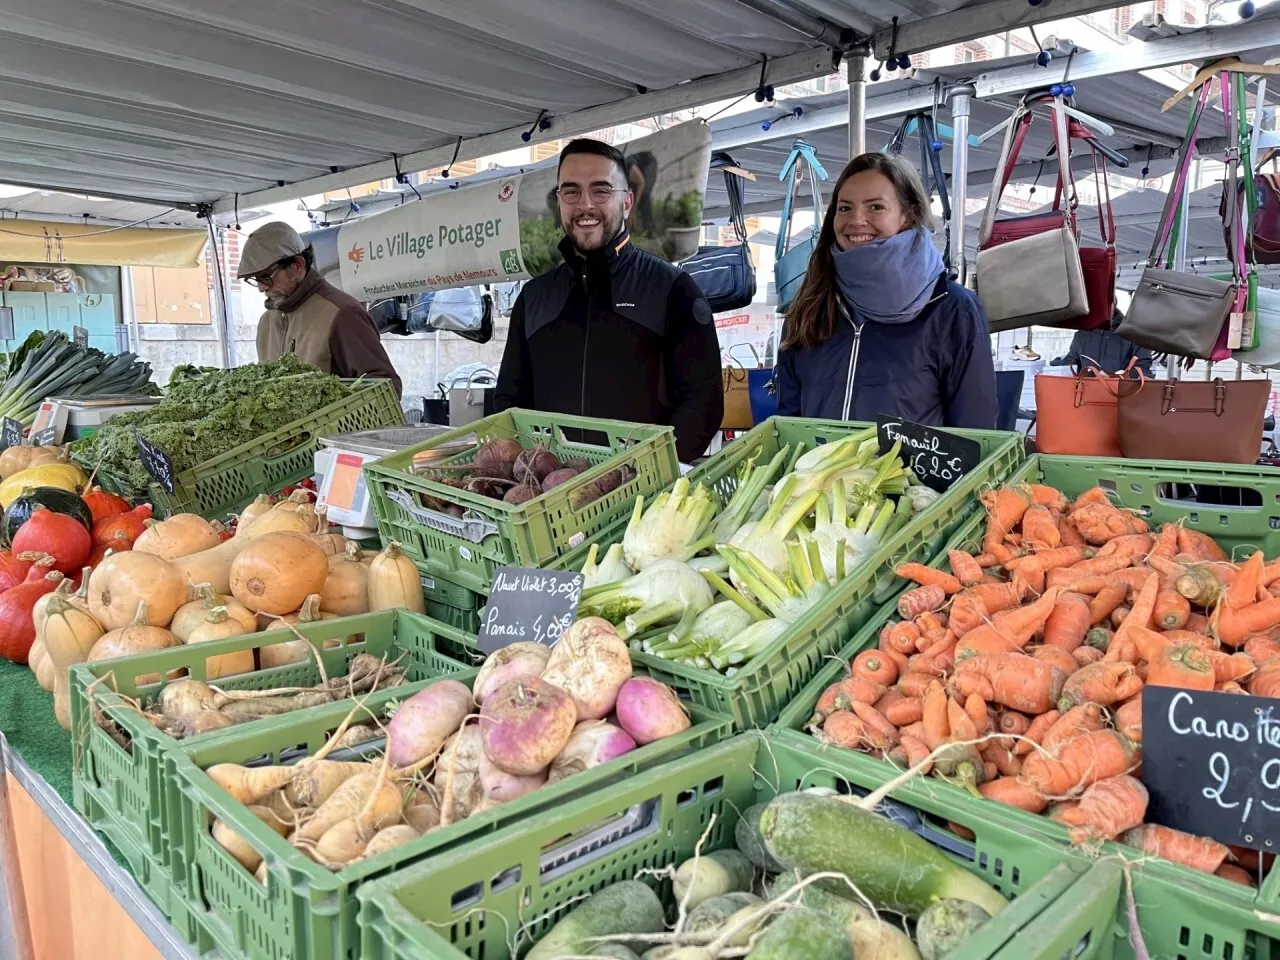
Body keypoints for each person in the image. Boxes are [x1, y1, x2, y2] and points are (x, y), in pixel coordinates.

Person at [495, 138, 722, 463]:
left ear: (628, 202)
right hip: (551, 495)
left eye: (601, 190)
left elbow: (703, 403)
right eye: (571, 191)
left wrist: (648, 473)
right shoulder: (534, 297)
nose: (585, 204)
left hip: (642, 496)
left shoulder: (673, 290)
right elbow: (508, 400)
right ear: (559, 202)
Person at [775, 154, 997, 428]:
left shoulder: (952, 308)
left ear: (908, 214)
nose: (856, 220)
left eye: (876, 207)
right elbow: (788, 420)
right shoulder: (810, 305)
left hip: (912, 472)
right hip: (816, 470)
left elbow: (975, 427)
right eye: (844, 208)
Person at [238, 221, 402, 396]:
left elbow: (386, 387)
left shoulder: (342, 313)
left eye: (266, 277)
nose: (261, 288)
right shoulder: (267, 322)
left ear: (298, 265)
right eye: (255, 279)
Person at [1050, 308, 1154, 378]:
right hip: (1087, 396)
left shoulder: (1134, 333)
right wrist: (1054, 366)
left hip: (1122, 396)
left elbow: (1143, 364)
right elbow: (1072, 361)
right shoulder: (1081, 334)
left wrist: (1121, 376)